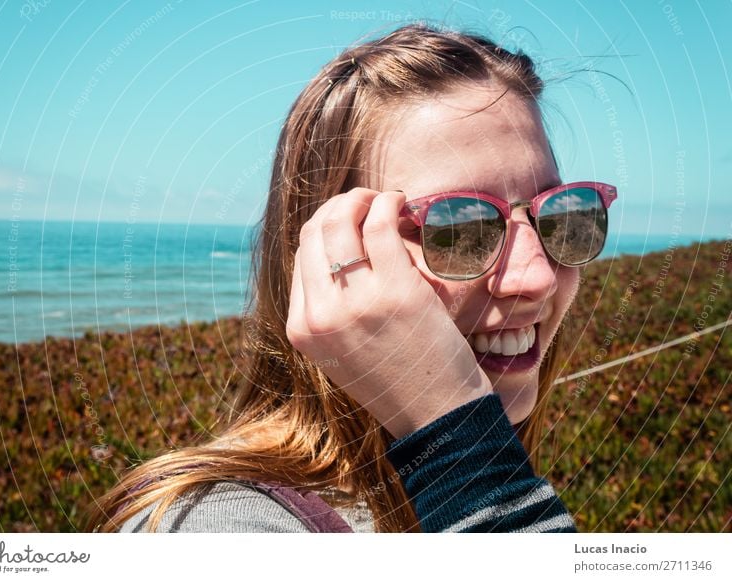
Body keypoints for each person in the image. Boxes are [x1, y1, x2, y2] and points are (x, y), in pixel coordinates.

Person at [87, 21, 616, 533]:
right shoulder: (221, 529)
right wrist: (456, 440)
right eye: (459, 225)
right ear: (329, 250)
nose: (538, 276)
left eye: (561, 216)